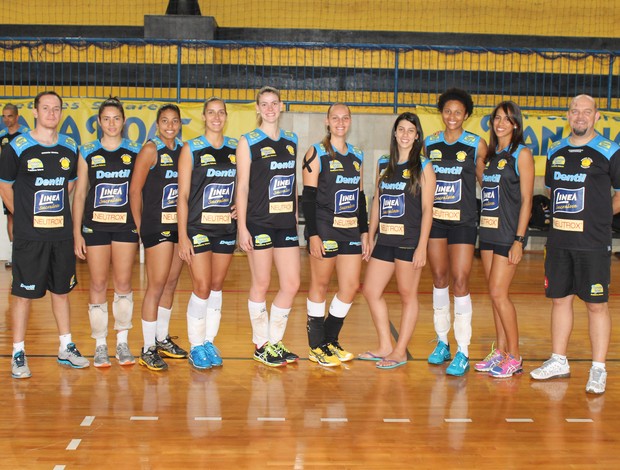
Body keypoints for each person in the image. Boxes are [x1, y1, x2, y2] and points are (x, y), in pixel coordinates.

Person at [530, 94, 620, 394]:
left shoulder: (610, 151)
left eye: (586, 112)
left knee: (596, 305)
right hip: (559, 241)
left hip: (592, 242)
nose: (580, 116)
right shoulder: (555, 150)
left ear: (597, 117)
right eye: (574, 111)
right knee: (560, 299)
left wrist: (600, 215)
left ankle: (598, 368)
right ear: (567, 115)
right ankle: (559, 360)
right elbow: (551, 190)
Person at [0, 91, 90, 379]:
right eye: (46, 108)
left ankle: (66, 346)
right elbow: (5, 188)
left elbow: (71, 186)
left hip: (60, 236)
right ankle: (18, 352)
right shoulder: (17, 147)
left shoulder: (69, 147)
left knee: (61, 292)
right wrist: (26, 220)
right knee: (23, 296)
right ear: (36, 112)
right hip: (30, 237)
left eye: (56, 109)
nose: (52, 113)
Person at [360, 112, 435, 369]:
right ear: (395, 133)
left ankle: (400, 350)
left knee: (407, 295)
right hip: (386, 239)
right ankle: (384, 345)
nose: (404, 134)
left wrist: (422, 246)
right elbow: (376, 203)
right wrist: (370, 235)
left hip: (409, 240)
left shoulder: (424, 166)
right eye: (401, 129)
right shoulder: (384, 163)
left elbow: (428, 210)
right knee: (370, 290)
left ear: (417, 136)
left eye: (410, 131)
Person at [72, 97, 141, 368]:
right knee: (98, 285)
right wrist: (78, 233)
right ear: (99, 122)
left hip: (125, 227)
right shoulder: (87, 151)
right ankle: (100, 344)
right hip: (95, 227)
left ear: (124, 121)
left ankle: (122, 342)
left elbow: (140, 192)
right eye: (106, 118)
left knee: (123, 285)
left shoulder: (135, 151)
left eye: (116, 118)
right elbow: (79, 195)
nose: (112, 123)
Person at [424, 88, 488, 376]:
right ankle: (442, 342)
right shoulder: (430, 143)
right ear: (442, 113)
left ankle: (463, 350)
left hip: (463, 220)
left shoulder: (476, 144)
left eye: (458, 112)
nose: (452, 116)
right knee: (439, 278)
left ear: (467, 115)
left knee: (460, 280)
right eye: (447, 111)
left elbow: (486, 181)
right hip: (436, 221)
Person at [235, 86, 300, 367]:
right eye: (265, 104)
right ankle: (261, 344)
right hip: (258, 221)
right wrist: (242, 228)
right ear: (257, 108)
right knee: (261, 283)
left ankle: (275, 341)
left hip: (285, 223)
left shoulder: (291, 140)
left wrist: (296, 220)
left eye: (275, 103)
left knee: (292, 284)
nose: (270, 108)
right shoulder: (247, 141)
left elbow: (292, 182)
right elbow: (244, 185)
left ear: (282, 106)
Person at [302, 103, 368, 367]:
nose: (340, 122)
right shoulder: (316, 152)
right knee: (320, 285)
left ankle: (328, 339)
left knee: (350, 287)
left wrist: (364, 231)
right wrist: (313, 235)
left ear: (350, 121)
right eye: (335, 118)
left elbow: (360, 197)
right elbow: (308, 197)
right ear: (327, 122)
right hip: (325, 228)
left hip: (350, 228)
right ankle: (316, 345)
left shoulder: (357, 156)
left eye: (345, 117)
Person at [177, 97, 238, 369]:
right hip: (197, 227)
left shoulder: (236, 149)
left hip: (225, 227)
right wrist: (182, 236)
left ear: (226, 116)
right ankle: (195, 345)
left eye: (220, 113)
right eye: (211, 113)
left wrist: (240, 206)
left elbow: (245, 186)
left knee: (215, 286)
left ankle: (209, 341)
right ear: (203, 116)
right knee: (201, 286)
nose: (216, 117)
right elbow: (182, 196)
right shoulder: (191, 148)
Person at [475, 101, 534, 378]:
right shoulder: (492, 155)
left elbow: (526, 201)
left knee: (500, 294)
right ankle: (499, 352)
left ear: (516, 125)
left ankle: (515, 356)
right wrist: (478, 161)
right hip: (487, 232)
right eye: (497, 118)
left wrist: (519, 240)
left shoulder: (521, 154)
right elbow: (487, 188)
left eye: (507, 119)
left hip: (508, 235)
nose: (500, 123)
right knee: (494, 295)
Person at [129, 104, 187, 371]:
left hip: (178, 227)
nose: (170, 125)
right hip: (156, 227)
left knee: (171, 283)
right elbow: (134, 190)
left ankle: (162, 338)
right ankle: (147, 347)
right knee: (156, 284)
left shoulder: (183, 151)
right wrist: (141, 227)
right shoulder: (151, 150)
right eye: (165, 121)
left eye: (174, 121)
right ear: (157, 124)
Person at [1, 103, 30, 268]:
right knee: (11, 215)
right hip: (8, 184)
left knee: (26, 214)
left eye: (10, 116)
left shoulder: (26, 135)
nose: (6, 119)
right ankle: (14, 252)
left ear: (17, 116)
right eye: (4, 116)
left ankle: (28, 251)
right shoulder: (2, 136)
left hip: (24, 184)